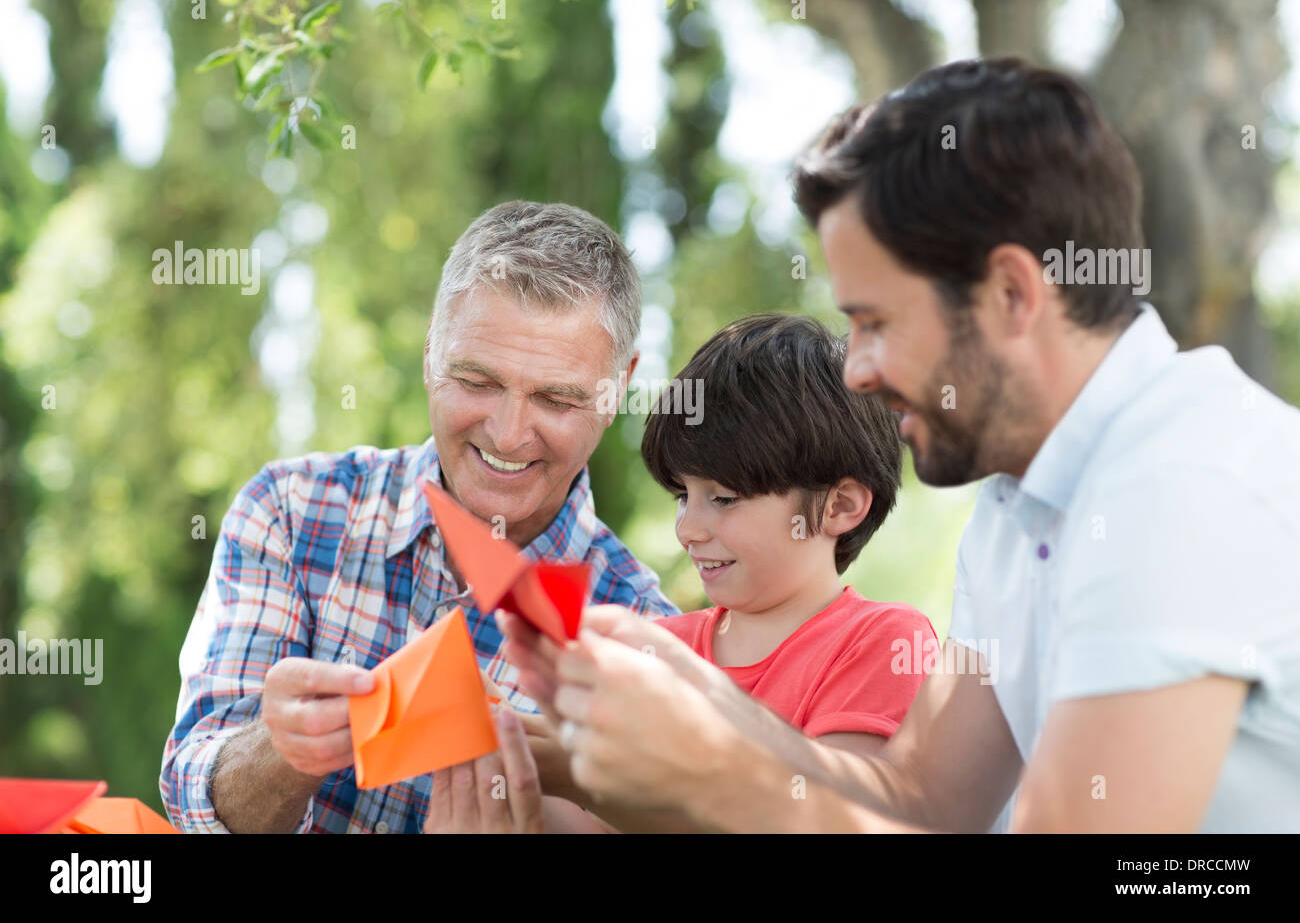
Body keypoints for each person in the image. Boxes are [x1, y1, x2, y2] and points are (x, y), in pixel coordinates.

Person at [498, 57, 1300, 833]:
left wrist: (713, 777)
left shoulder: (1181, 485)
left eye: (876, 323)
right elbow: (921, 799)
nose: (856, 370)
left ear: (1014, 294)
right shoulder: (1017, 506)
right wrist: (702, 703)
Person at [161, 200, 678, 834]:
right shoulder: (292, 512)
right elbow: (192, 797)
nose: (510, 434)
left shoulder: (647, 642)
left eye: (556, 398)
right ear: (432, 348)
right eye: (478, 381)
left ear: (618, 386)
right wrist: (285, 753)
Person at [477, 313, 936, 832]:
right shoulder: (656, 645)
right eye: (681, 496)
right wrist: (516, 759)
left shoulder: (881, 641)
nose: (688, 529)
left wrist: (599, 785)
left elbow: (824, 818)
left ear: (840, 506)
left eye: (723, 498)